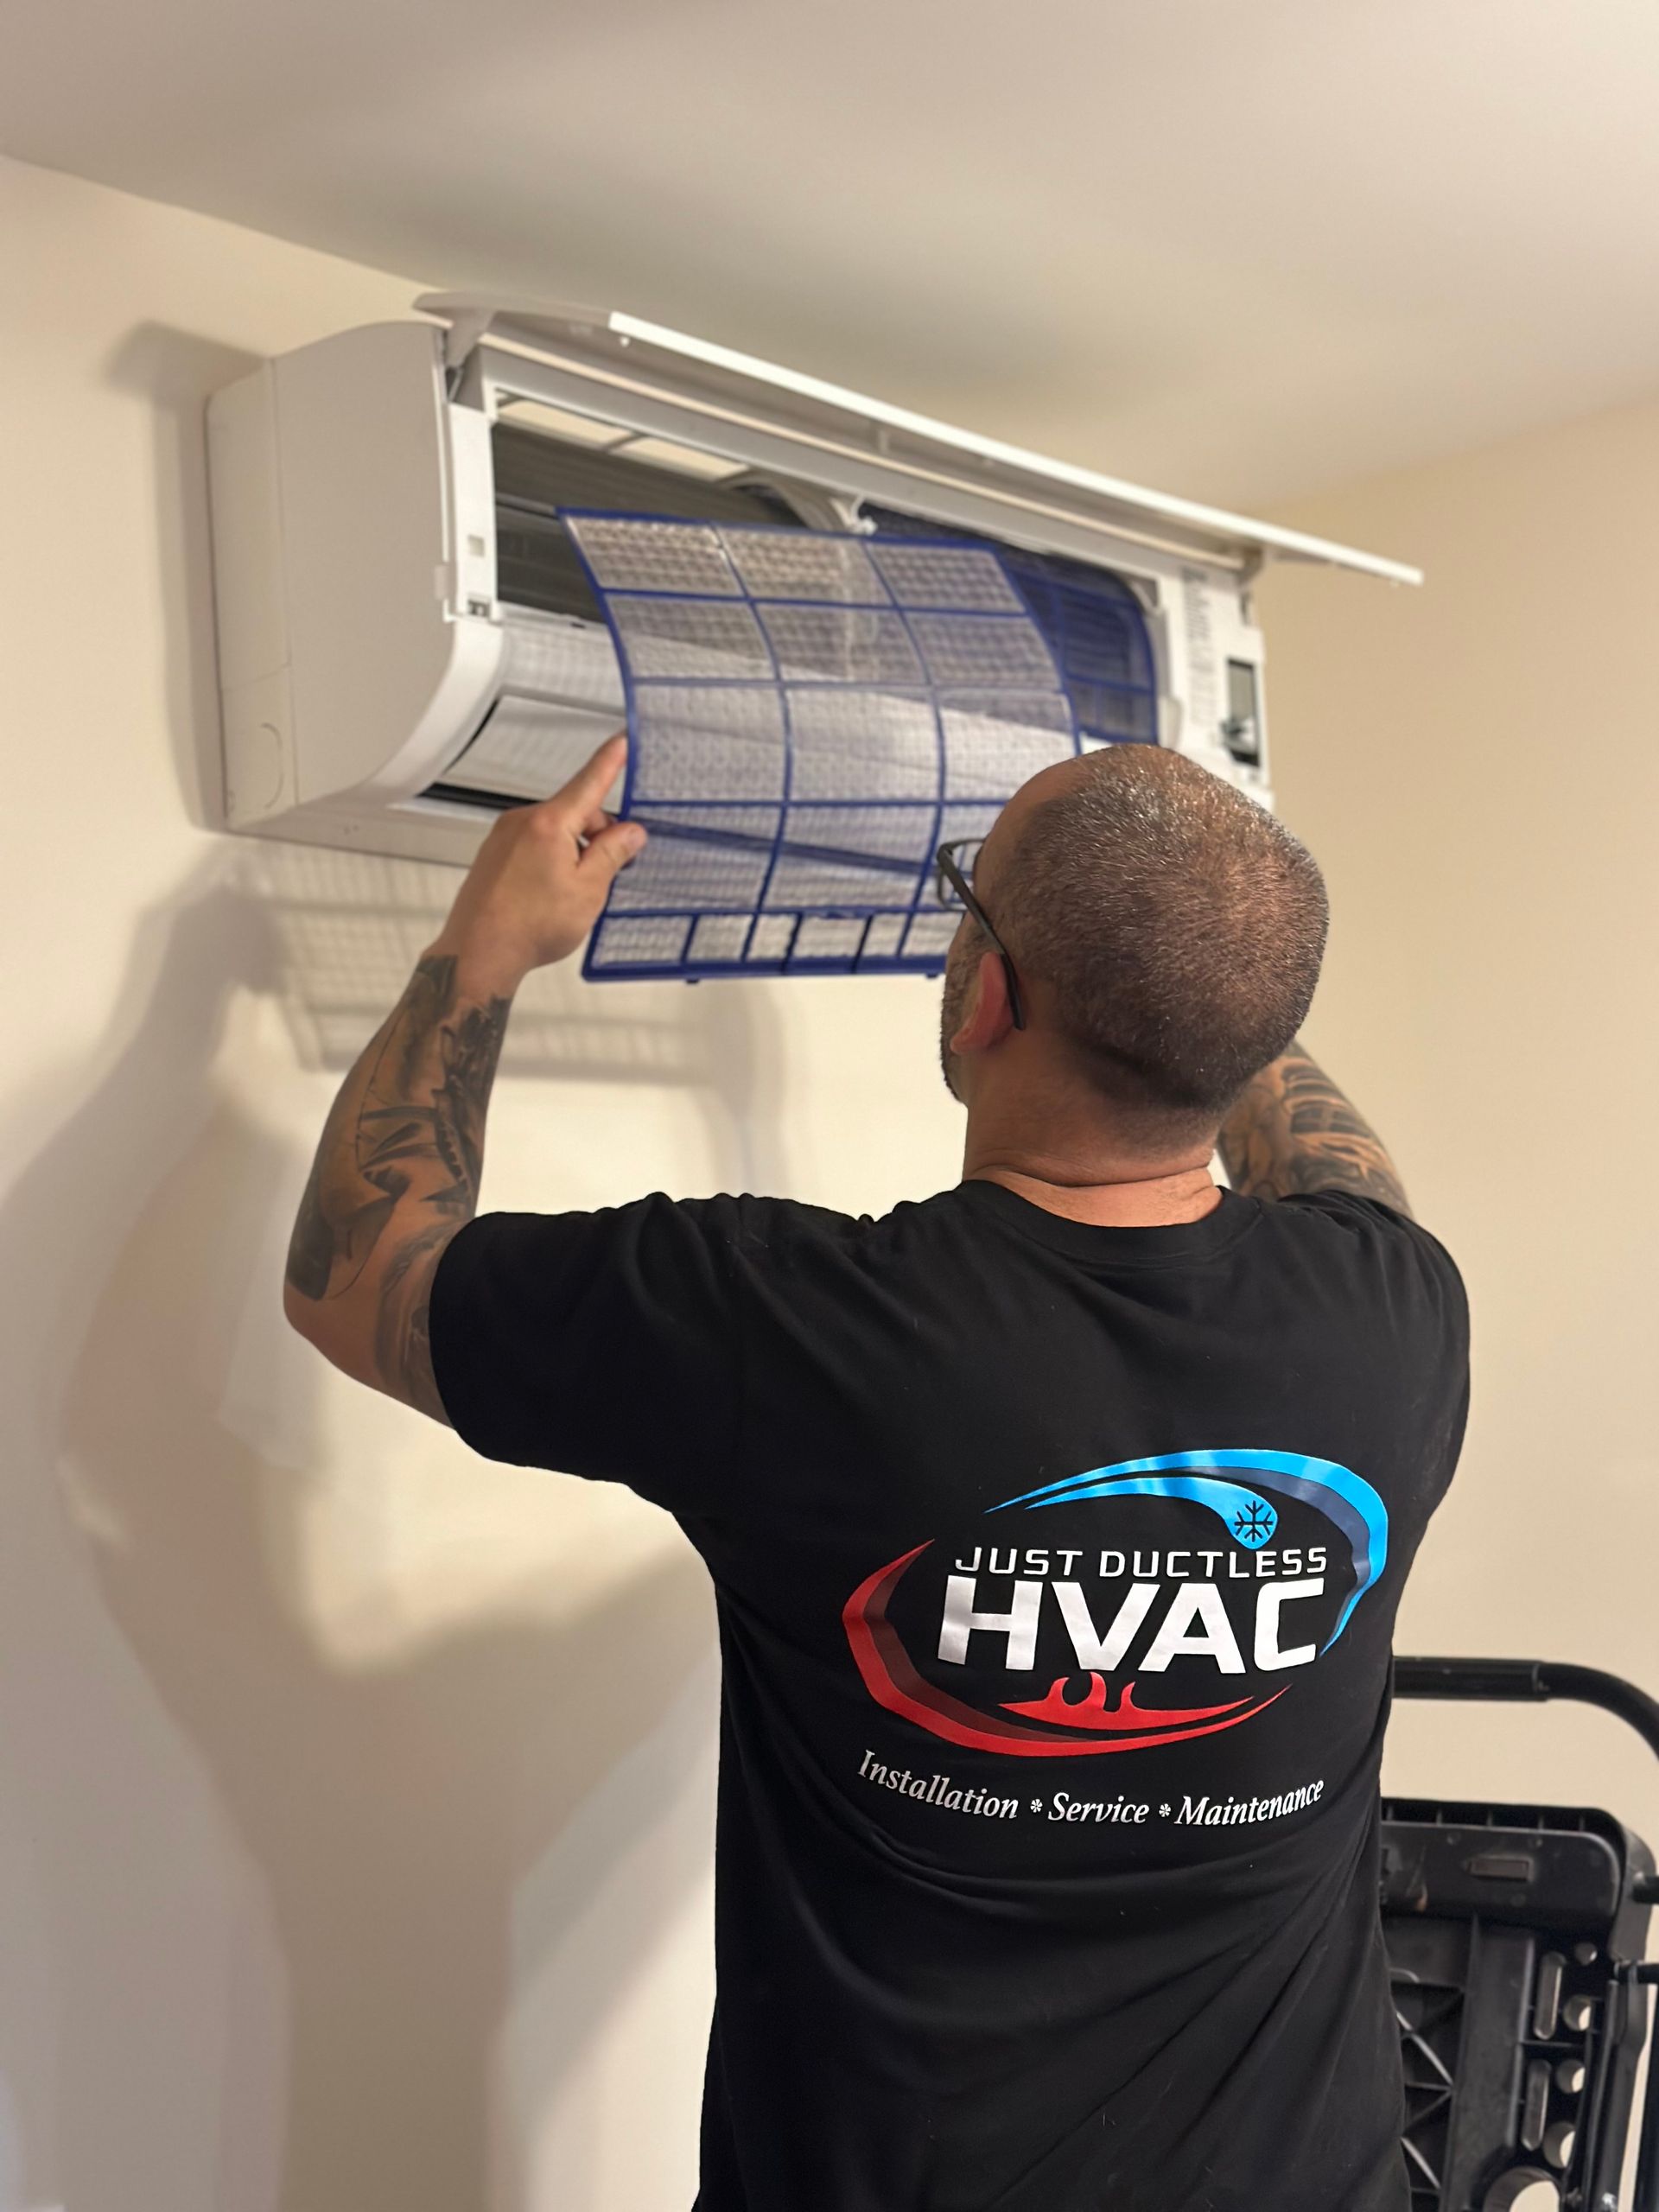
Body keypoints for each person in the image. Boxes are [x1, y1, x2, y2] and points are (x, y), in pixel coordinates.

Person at [284, 731, 1468, 2212]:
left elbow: (359, 1277)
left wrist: (484, 947)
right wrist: (1182, 956)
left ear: (986, 997)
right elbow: (1323, 1156)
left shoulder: (775, 1330)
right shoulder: (1398, 1318)